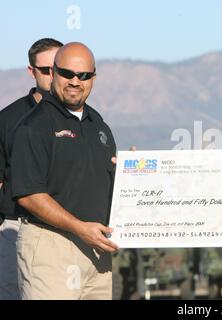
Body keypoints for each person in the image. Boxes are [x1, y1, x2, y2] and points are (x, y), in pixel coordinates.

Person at [10, 42, 119, 300]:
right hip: (51, 245)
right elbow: (29, 194)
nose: (75, 81)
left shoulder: (99, 126)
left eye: (83, 76)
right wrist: (80, 228)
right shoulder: (33, 126)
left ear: (93, 77)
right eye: (67, 74)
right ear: (54, 73)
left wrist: (134, 172)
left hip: (97, 250)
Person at [0, 38, 63, 300]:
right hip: (16, 228)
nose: (53, 76)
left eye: (58, 69)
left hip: (67, 232)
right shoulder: (8, 119)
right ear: (32, 71)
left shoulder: (90, 120)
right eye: (45, 70)